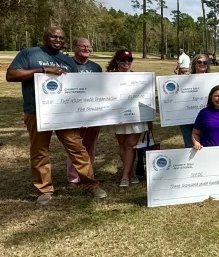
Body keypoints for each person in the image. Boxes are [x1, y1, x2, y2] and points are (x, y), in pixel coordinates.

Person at [6, 27, 106, 205]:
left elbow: (76, 87)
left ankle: (91, 183)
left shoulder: (66, 60)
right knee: (40, 151)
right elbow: (11, 75)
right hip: (36, 111)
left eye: (60, 37)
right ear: (45, 37)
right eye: (53, 36)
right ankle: (44, 189)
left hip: (64, 112)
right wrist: (43, 70)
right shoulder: (29, 54)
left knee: (77, 148)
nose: (57, 39)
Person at [105, 49, 151, 188]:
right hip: (118, 117)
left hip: (136, 117)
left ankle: (125, 176)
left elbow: (146, 98)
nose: (126, 62)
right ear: (117, 61)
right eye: (123, 60)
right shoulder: (109, 77)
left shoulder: (138, 77)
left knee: (131, 144)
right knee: (123, 144)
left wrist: (149, 118)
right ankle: (130, 173)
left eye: (129, 60)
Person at [66, 37, 102, 186]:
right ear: (75, 47)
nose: (86, 49)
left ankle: (87, 174)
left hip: (93, 112)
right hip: (72, 111)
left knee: (90, 145)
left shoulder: (96, 68)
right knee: (75, 145)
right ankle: (73, 178)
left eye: (88, 47)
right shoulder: (66, 64)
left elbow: (102, 90)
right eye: (83, 47)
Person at [178, 53, 212, 148]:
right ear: (194, 64)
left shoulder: (214, 79)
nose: (202, 64)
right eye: (199, 62)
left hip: (206, 118)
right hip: (187, 118)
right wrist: (182, 80)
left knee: (206, 144)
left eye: (205, 62)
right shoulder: (185, 78)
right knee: (190, 145)